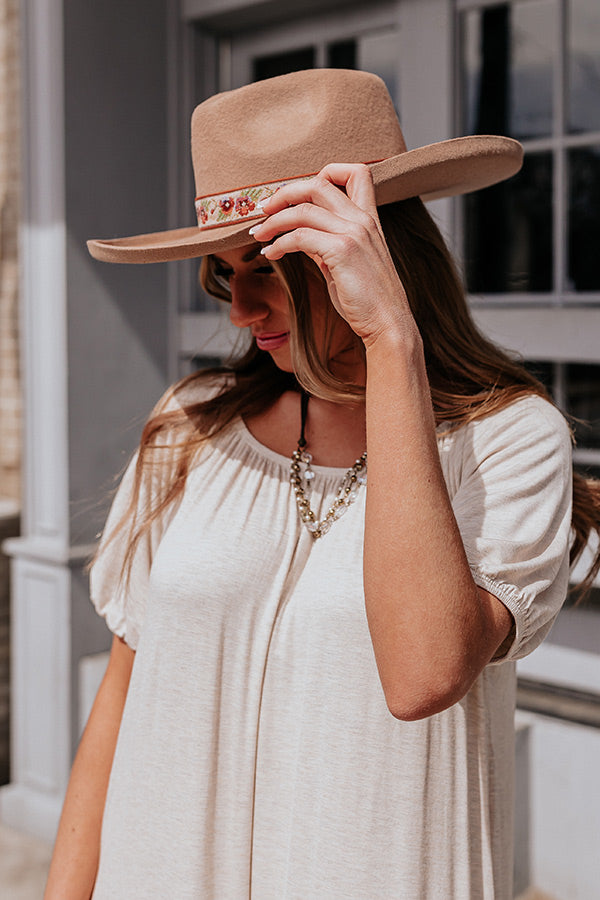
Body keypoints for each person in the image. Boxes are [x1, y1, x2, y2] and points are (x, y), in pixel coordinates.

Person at [45, 69, 600, 900]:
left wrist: (393, 344)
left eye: (267, 268)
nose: (238, 309)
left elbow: (422, 676)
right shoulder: (192, 426)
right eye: (223, 276)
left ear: (373, 253)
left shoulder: (508, 441)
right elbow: (121, 701)